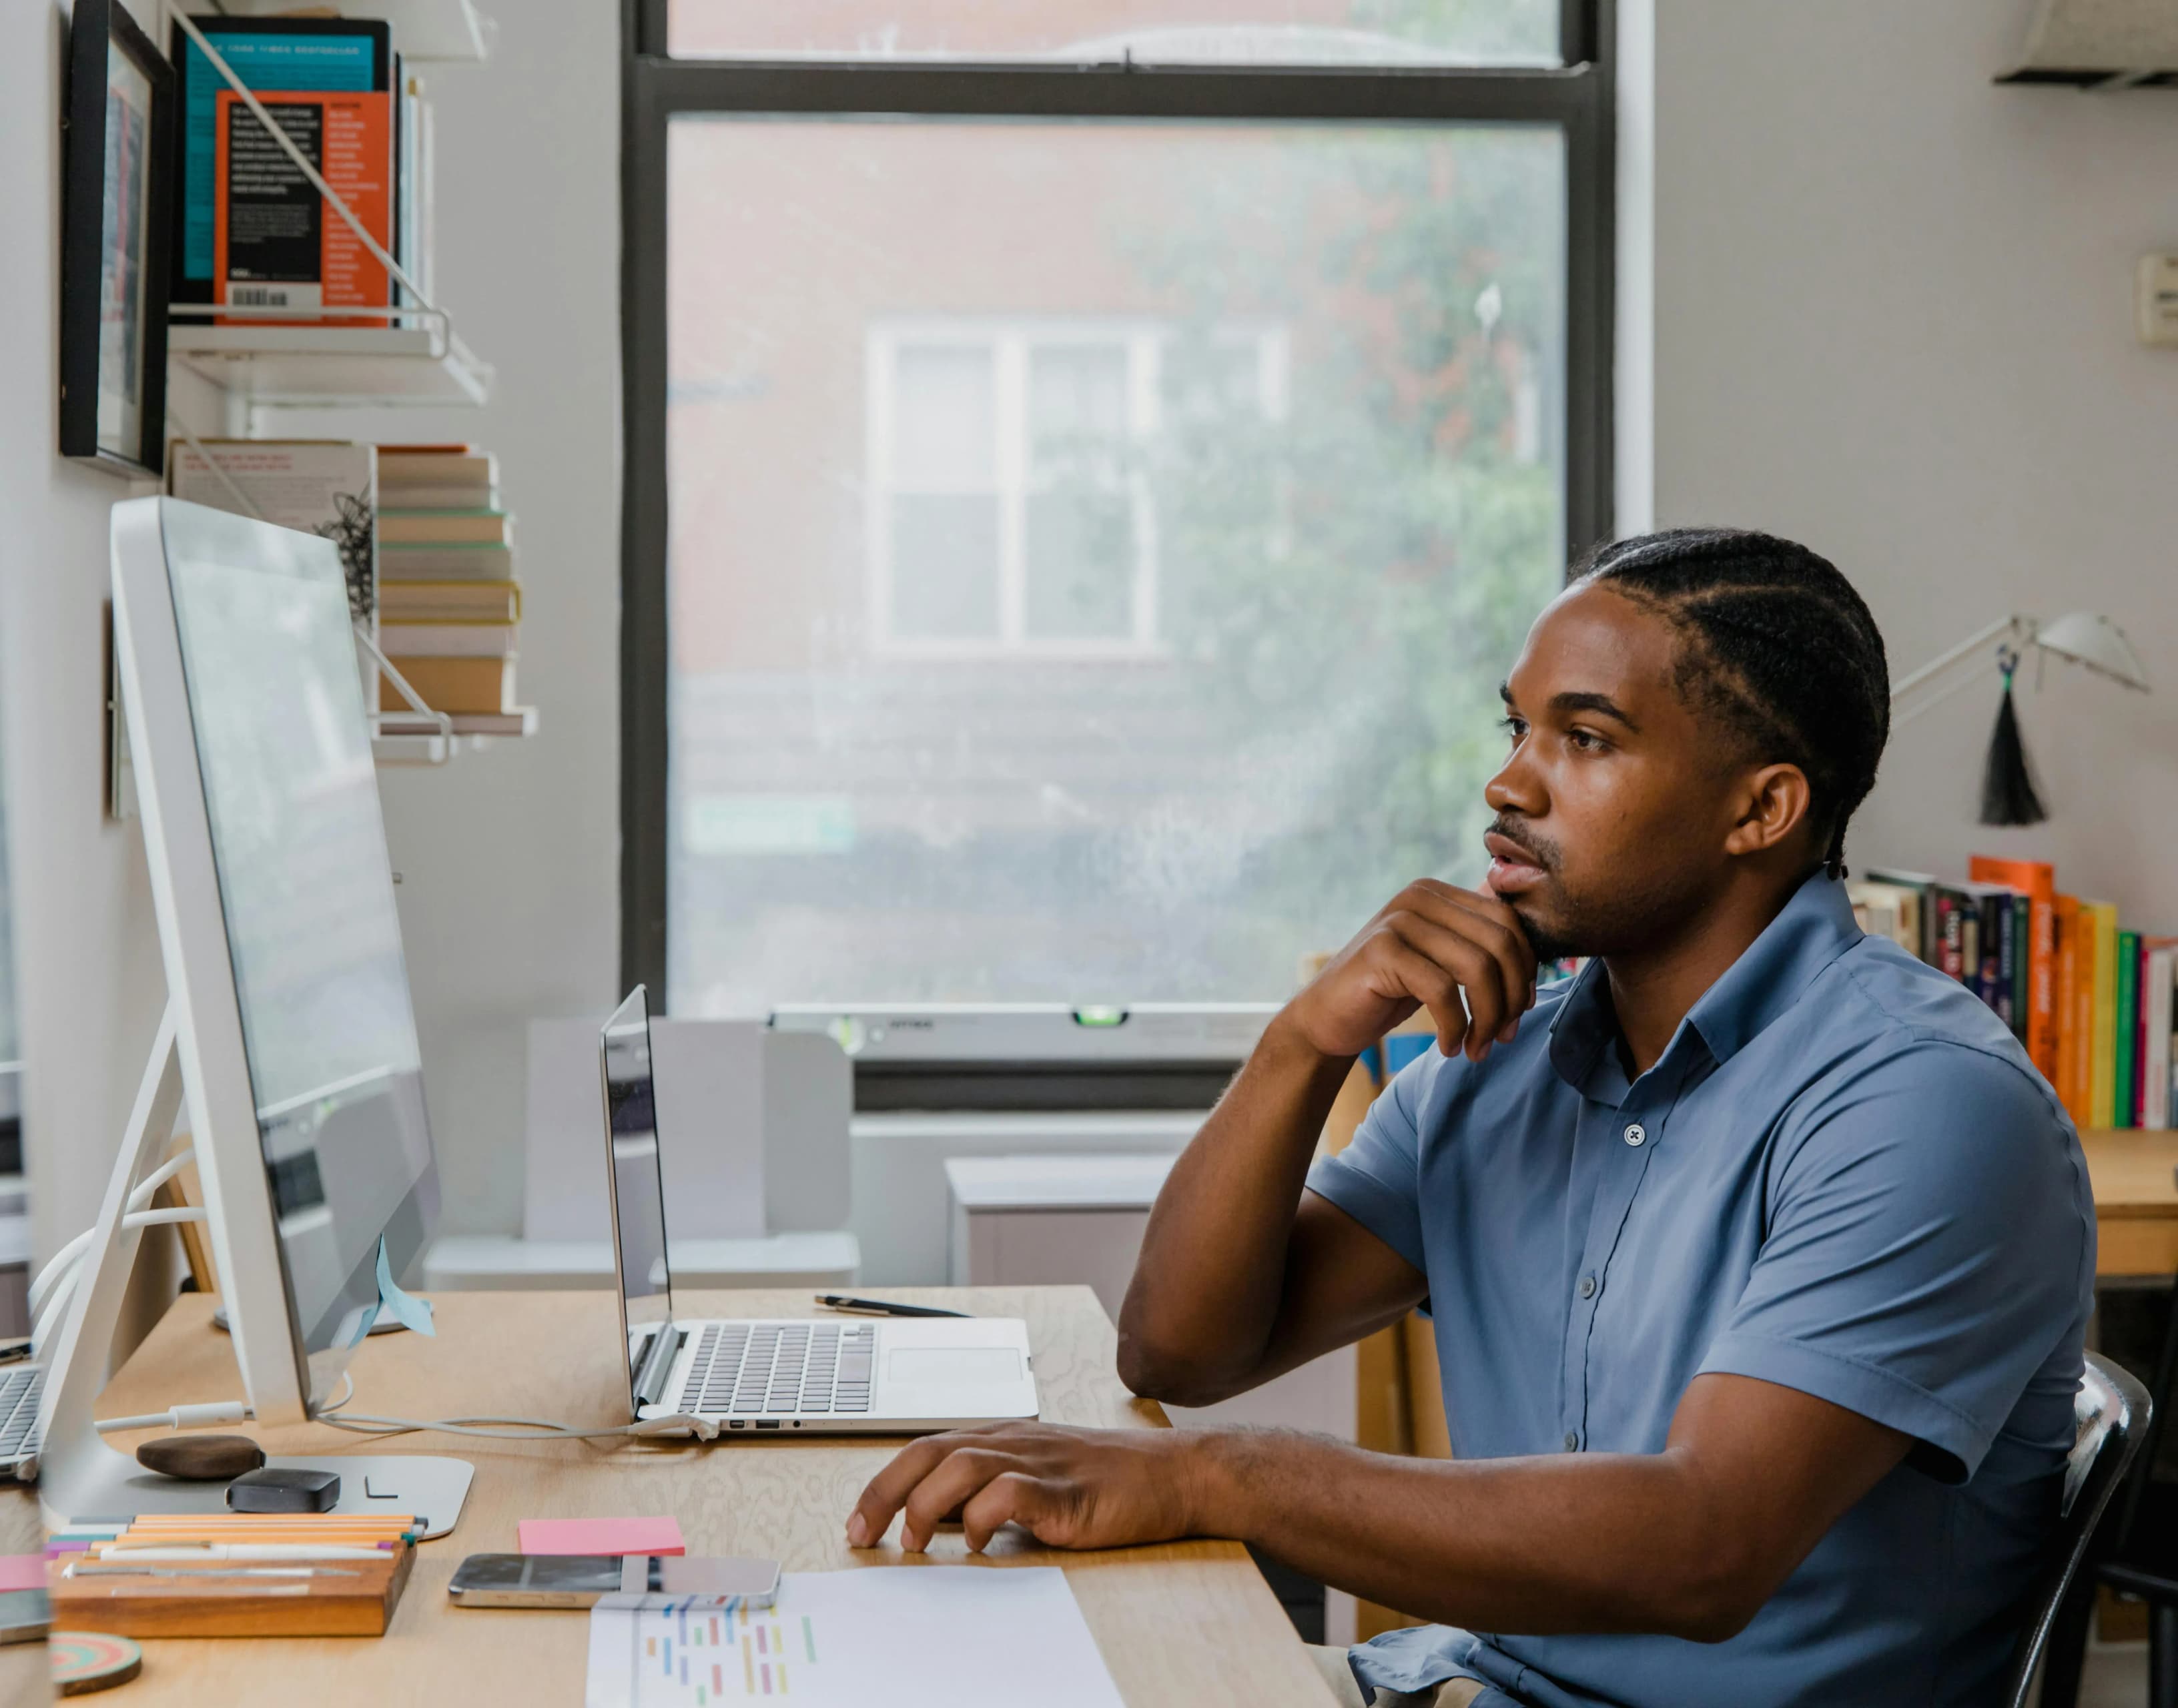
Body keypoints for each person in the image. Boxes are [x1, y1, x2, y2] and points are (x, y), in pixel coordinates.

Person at [845, 528, 2097, 1708]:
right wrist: (1302, 1044)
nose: (1508, 783)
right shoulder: (1502, 1061)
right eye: (1519, 727)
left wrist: (1219, 1478)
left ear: (1759, 810)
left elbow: (1707, 1547)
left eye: (1586, 739)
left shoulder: (1925, 1104)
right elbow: (1182, 1352)